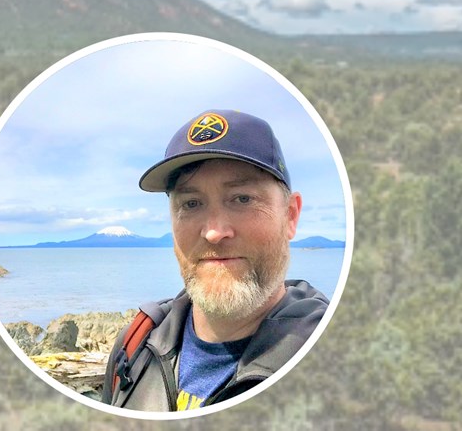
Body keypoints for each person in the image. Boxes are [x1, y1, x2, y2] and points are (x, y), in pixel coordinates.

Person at [102, 109, 329, 411]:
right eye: (191, 203)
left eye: (242, 199)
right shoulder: (136, 344)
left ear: (290, 216)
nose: (214, 232)